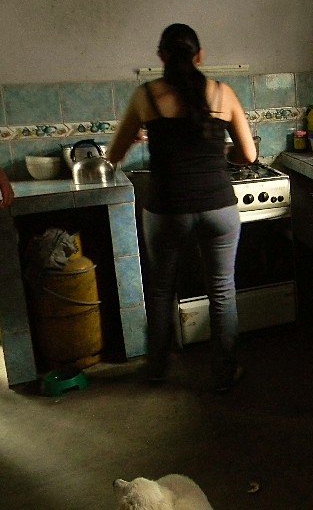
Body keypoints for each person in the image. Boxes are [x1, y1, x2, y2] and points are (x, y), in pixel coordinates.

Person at [107, 23, 256, 393]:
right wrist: (220, 155)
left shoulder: (147, 96)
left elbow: (113, 154)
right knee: (222, 290)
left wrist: (147, 135)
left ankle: (157, 370)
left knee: (160, 289)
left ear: (162, 57)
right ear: (199, 56)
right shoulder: (223, 93)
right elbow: (249, 155)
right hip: (218, 205)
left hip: (167, 207)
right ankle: (224, 373)